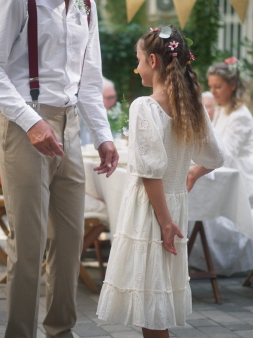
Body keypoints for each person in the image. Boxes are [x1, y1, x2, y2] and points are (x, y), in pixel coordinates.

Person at [0, 1, 119, 337]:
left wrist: (102, 136)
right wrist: (31, 122)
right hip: (24, 124)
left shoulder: (86, 4)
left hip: (70, 125)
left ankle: (60, 331)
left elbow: (90, 77)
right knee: (28, 242)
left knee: (70, 240)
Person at [96, 26, 224, 337]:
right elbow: (215, 157)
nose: (135, 66)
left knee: (150, 302)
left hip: (153, 211)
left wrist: (165, 222)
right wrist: (192, 172)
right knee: (156, 296)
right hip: (173, 204)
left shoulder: (145, 106)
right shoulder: (192, 104)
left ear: (153, 60)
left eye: (137, 59)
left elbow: (150, 172)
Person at [188, 58, 253, 276]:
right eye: (211, 87)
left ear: (232, 86)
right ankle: (198, 259)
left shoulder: (240, 116)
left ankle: (216, 263)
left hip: (242, 177)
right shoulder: (222, 109)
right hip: (225, 167)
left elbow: (227, 155)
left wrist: (202, 164)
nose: (213, 92)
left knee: (203, 201)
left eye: (218, 87)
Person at [81, 77, 117, 145]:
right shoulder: (80, 114)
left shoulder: (116, 113)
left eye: (114, 97)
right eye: (109, 98)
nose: (113, 102)